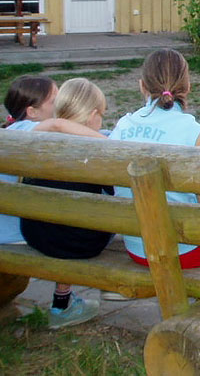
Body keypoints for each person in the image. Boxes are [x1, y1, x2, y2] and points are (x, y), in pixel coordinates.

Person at [110, 49, 200, 268]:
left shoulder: (122, 126)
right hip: (185, 252)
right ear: (187, 87)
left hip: (138, 247)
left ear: (142, 86)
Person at [20, 78, 113, 329]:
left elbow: (54, 127)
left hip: (36, 234)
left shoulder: (35, 140)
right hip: (80, 244)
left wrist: (58, 123)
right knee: (110, 212)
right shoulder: (101, 151)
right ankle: (115, 290)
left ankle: (62, 303)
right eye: (101, 115)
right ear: (93, 115)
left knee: (65, 216)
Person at [2, 76, 104, 245]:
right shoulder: (21, 130)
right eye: (54, 101)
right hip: (17, 236)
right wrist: (107, 142)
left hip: (22, 231)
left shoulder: (16, 130)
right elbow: (57, 126)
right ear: (32, 112)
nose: (61, 103)